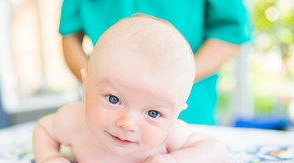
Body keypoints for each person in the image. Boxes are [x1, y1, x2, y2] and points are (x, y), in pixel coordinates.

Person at [33, 16, 229, 163]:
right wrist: (48, 157)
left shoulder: (170, 136)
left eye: (153, 113)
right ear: (85, 87)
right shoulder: (73, 122)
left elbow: (217, 152)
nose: (128, 124)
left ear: (176, 113)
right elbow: (43, 129)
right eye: (113, 99)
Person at [58, 0, 252, 125]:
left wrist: (174, 81)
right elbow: (70, 35)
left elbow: (229, 33)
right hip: (105, 113)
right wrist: (97, 82)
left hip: (189, 115)